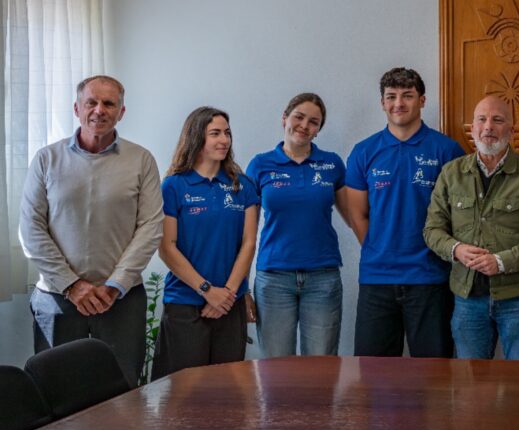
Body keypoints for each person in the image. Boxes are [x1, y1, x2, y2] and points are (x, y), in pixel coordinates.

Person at [19, 75, 163, 385]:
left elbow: (150, 227)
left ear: (121, 112)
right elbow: (31, 228)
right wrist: (72, 285)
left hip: (121, 300)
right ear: (77, 108)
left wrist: (115, 284)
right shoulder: (46, 159)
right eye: (91, 102)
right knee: (56, 390)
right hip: (58, 298)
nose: (99, 110)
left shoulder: (141, 160)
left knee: (121, 391)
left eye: (109, 103)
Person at [423, 95, 519, 360]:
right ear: (472, 129)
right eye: (482, 120)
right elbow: (432, 230)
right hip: (467, 298)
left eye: (498, 120)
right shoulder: (451, 174)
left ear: (512, 130)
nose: (488, 127)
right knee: (470, 385)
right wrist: (457, 249)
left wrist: (501, 261)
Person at [345, 67, 464, 357]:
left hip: (431, 278)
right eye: (391, 96)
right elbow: (357, 215)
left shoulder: (447, 150)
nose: (399, 103)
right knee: (375, 375)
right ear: (383, 103)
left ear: (422, 100)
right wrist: (379, 248)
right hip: (377, 279)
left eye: (407, 96)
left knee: (435, 373)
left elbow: (460, 216)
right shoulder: (364, 152)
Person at [152, 107, 258, 378]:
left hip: (229, 304)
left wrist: (227, 294)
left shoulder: (242, 186)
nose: (224, 140)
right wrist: (207, 290)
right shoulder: (173, 186)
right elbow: (167, 247)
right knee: (182, 392)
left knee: (226, 393)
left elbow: (248, 243)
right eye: (215, 133)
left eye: (227, 133)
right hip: (185, 302)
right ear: (196, 137)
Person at [246, 93, 348, 357]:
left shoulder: (332, 164)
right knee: (276, 370)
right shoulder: (260, 165)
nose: (304, 125)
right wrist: (241, 286)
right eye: (299, 117)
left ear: (318, 130)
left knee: (320, 366)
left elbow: (355, 216)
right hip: (274, 279)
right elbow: (245, 234)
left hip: (322, 278)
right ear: (284, 119)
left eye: (313, 122)